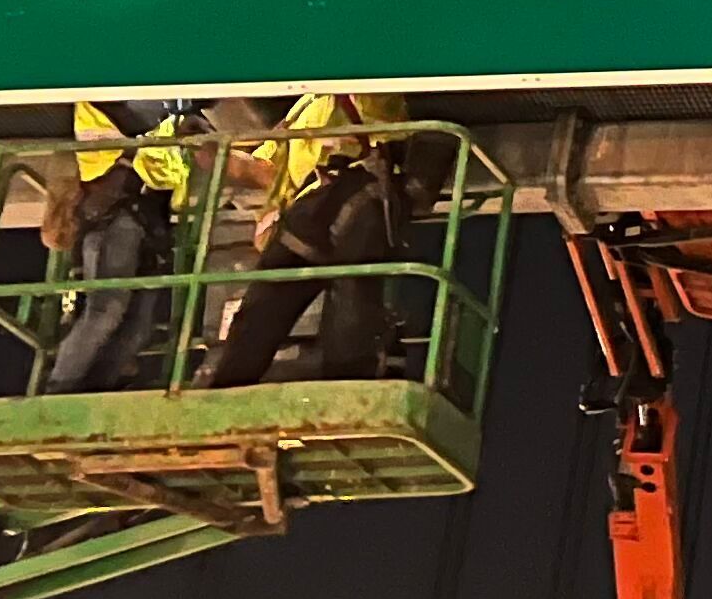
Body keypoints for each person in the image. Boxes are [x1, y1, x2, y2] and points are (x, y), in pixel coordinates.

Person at [207, 91, 436, 386]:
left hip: (357, 199)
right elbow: (268, 169)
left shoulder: (368, 93)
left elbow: (378, 99)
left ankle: (348, 386)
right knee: (261, 309)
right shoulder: (304, 107)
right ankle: (226, 388)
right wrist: (216, 154)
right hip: (306, 212)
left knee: (351, 302)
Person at [33, 100, 199, 392]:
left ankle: (96, 391)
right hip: (120, 218)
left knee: (138, 327)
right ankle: (59, 391)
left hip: (147, 225)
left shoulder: (137, 120)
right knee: (106, 311)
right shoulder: (107, 103)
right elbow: (148, 121)